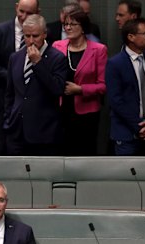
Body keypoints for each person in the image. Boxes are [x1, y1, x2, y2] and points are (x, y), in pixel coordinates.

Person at [0, 0, 40, 155]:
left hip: (30, 101)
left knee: (28, 146)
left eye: (30, 13)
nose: (24, 16)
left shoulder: (41, 33)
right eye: (22, 11)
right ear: (16, 8)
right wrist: (12, 77)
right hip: (2, 97)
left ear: (38, 12)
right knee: (0, 145)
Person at [4, 14, 66, 156]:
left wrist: (38, 63)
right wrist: (8, 121)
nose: (31, 41)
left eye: (35, 36)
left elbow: (57, 89)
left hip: (43, 134)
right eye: (27, 36)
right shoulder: (15, 58)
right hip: (16, 131)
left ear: (44, 34)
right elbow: (10, 94)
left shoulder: (57, 58)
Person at [106, 18, 145, 156]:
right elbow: (116, 101)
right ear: (131, 37)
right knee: (127, 175)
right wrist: (139, 126)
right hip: (126, 134)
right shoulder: (115, 64)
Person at [52, 8, 107, 156]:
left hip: (87, 113)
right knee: (63, 151)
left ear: (83, 27)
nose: (68, 27)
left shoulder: (99, 50)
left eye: (73, 24)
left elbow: (103, 86)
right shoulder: (57, 46)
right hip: (62, 109)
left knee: (85, 151)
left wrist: (80, 89)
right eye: (66, 24)